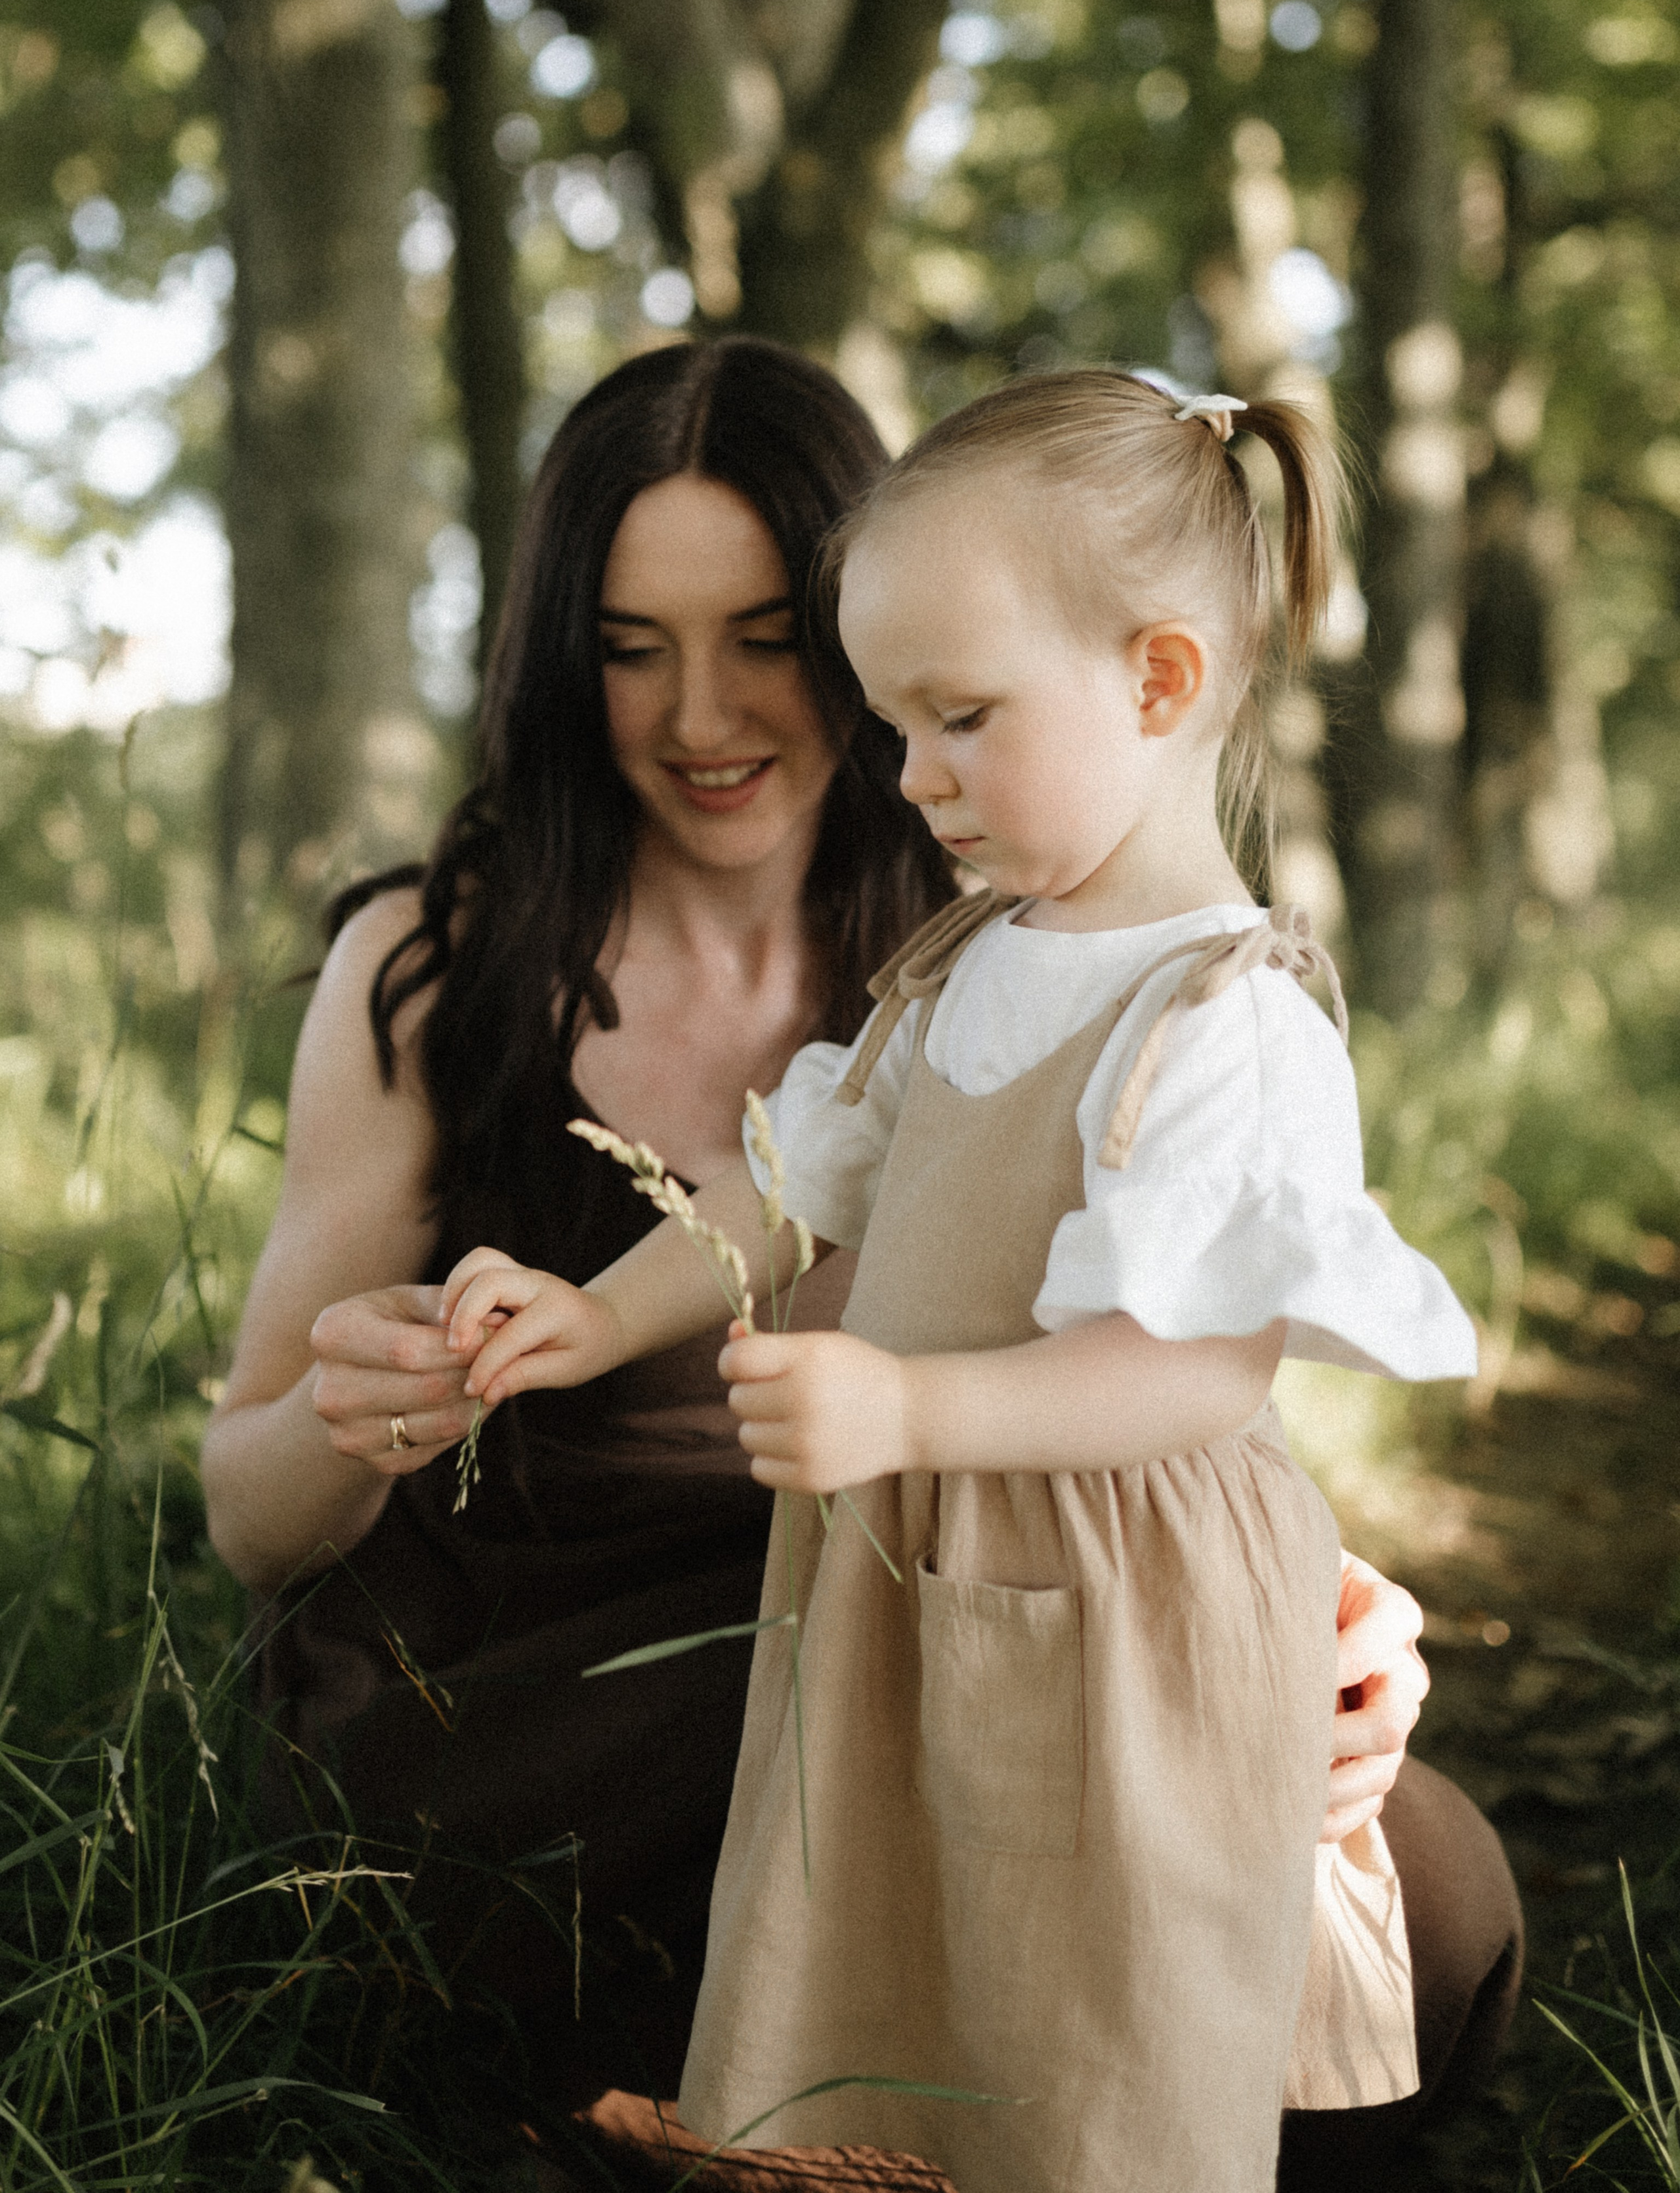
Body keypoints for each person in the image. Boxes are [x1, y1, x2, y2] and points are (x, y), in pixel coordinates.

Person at [199, 341, 1517, 2189]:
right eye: (630, 645)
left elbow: (1176, 1359)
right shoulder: (467, 964)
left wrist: (1309, 1611)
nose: (704, 714)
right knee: (832, 1810)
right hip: (588, 1658)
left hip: (954, 1582)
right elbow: (261, 1513)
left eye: (767, 639)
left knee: (1411, 1897)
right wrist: (456, 1368)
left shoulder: (1063, 954)